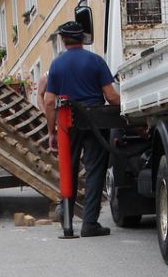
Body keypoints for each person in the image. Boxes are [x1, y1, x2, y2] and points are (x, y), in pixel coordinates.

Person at [43, 21, 121, 237]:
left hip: (68, 123)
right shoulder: (96, 61)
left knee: (68, 169)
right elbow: (111, 96)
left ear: (62, 39)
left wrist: (51, 132)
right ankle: (89, 224)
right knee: (95, 170)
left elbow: (49, 102)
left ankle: (67, 222)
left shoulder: (57, 65)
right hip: (95, 120)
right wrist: (130, 109)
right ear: (83, 39)